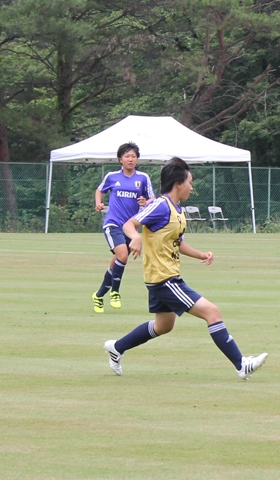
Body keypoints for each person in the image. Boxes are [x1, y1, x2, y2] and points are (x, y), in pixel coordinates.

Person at [103, 157, 267, 380]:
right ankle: (241, 364)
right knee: (212, 312)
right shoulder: (159, 205)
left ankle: (117, 347)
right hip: (164, 279)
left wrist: (201, 254)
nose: (192, 187)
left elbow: (177, 243)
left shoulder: (176, 210)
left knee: (163, 326)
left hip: (161, 277)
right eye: (190, 182)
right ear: (178, 183)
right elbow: (129, 224)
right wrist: (135, 238)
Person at [92, 142, 154, 313]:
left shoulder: (143, 178)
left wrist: (145, 201)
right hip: (112, 223)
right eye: (127, 156)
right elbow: (99, 190)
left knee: (118, 261)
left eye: (133, 156)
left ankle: (98, 295)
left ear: (137, 159)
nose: (130, 159)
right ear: (120, 159)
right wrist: (98, 202)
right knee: (123, 255)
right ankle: (115, 292)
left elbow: (152, 199)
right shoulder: (112, 176)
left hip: (130, 227)